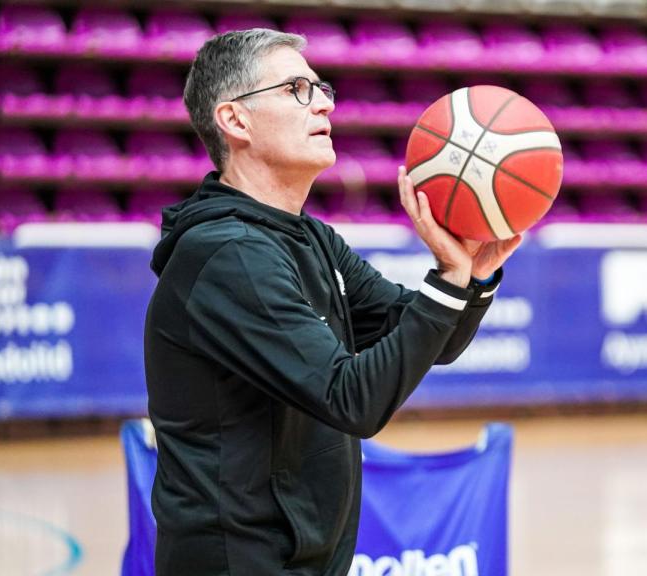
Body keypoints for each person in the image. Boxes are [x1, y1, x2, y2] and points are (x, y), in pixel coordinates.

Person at [144, 29, 521, 576]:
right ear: (235, 120)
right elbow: (353, 400)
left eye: (322, 87)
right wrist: (447, 283)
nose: (323, 101)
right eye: (297, 88)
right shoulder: (229, 255)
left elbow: (425, 336)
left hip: (308, 558)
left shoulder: (311, 238)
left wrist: (472, 276)